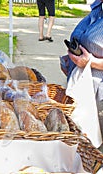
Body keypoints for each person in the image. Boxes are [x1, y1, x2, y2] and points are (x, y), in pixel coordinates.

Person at [60, 0, 103, 148]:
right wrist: (71, 61)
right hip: (82, 91)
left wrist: (91, 62)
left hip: (98, 101)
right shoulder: (97, 9)